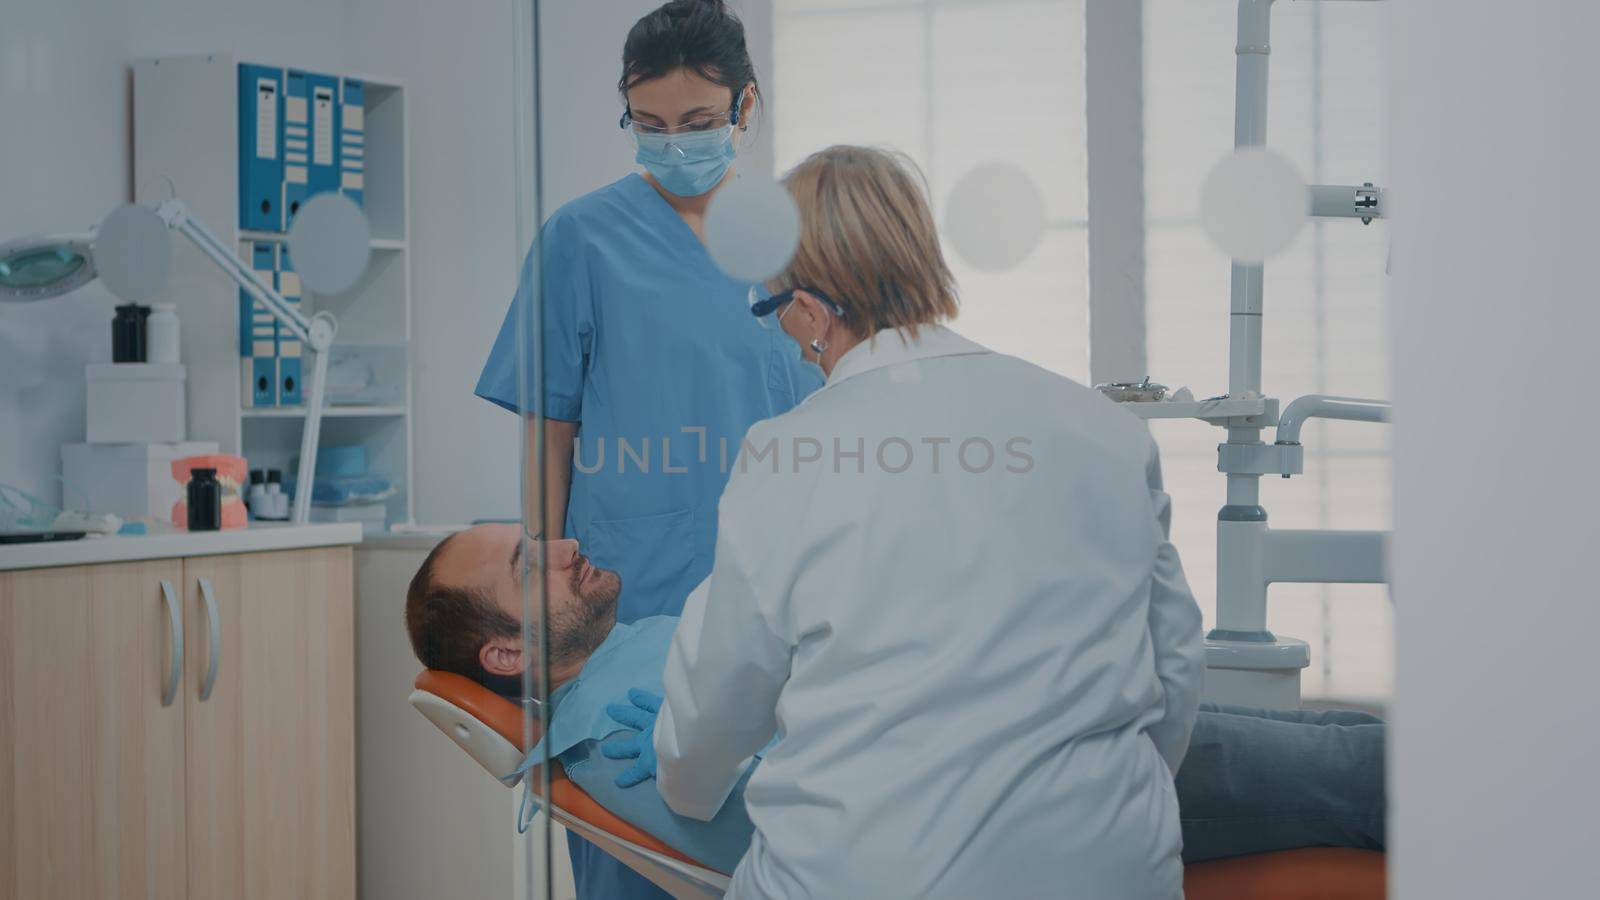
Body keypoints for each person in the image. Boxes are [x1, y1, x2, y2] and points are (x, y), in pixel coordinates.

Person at [590, 143, 1206, 898]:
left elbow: (717, 706)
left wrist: (683, 769)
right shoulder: (1101, 426)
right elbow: (1174, 666)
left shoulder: (788, 453)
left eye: (776, 312)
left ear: (809, 309)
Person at [404, 527, 1387, 879]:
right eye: (530, 563)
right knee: (1365, 779)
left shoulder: (632, 658)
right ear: (505, 649)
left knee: (1357, 748)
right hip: (1040, 788)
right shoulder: (623, 739)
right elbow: (792, 845)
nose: (563, 545)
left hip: (1020, 736)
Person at [472, 2, 820, 897]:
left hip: (795, 607)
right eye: (650, 125)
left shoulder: (802, 239)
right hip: (636, 604)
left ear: (748, 106)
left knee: (785, 856)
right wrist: (543, 603)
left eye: (699, 123)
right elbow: (546, 437)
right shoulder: (580, 240)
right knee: (639, 855)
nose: (674, 145)